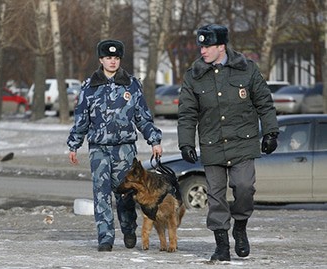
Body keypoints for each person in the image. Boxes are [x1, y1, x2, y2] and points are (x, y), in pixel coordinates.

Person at [177, 24, 279, 262]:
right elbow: (187, 114)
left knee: (244, 188)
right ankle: (221, 244)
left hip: (243, 143)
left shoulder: (247, 70)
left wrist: (271, 132)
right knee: (215, 196)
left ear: (221, 46)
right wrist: (186, 143)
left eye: (207, 46)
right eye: (201, 46)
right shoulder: (194, 76)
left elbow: (264, 102)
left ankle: (240, 226)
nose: (202, 51)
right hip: (212, 144)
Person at [67, 39, 163, 252]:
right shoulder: (89, 87)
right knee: (100, 193)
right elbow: (81, 120)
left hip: (125, 149)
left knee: (126, 193)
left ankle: (129, 229)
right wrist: (74, 145)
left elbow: (143, 118)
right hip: (99, 149)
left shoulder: (131, 84)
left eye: (116, 58)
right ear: (101, 59)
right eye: (108, 58)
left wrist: (154, 141)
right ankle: (105, 237)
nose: (112, 61)